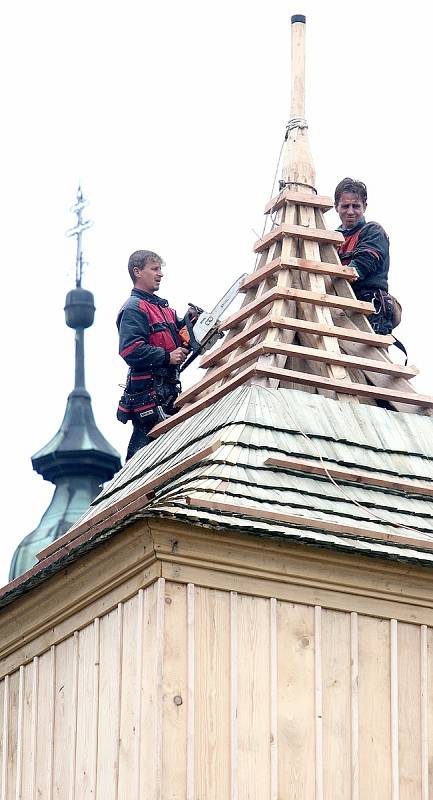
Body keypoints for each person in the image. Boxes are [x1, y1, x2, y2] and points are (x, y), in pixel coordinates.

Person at [116, 250, 190, 461]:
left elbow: (177, 340)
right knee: (142, 457)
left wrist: (190, 325)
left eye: (160, 269)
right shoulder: (134, 308)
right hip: (148, 393)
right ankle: (125, 491)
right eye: (154, 269)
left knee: (168, 454)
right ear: (138, 272)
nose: (160, 274)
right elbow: (130, 350)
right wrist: (167, 357)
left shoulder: (163, 309)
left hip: (168, 389)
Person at [334, 177, 400, 335]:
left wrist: (329, 276)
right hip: (340, 307)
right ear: (336, 207)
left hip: (369, 307)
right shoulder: (332, 240)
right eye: (345, 206)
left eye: (356, 206)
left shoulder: (373, 231)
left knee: (369, 356)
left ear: (365, 206)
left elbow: (362, 266)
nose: (350, 211)